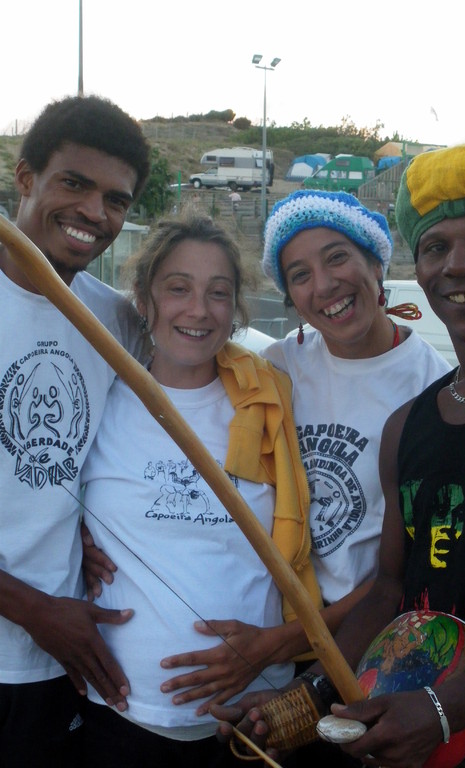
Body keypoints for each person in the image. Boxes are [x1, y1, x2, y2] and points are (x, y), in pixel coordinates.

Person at [214, 140, 465, 768]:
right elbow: (388, 592)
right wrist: (305, 700)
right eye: (436, 247)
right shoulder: (410, 424)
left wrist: (443, 710)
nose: (458, 264)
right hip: (408, 743)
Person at [78, 212, 322, 767]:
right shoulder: (99, 397)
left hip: (255, 720)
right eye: (178, 288)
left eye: (218, 293)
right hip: (121, 716)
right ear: (144, 299)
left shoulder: (272, 402)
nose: (198, 310)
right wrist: (78, 545)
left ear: (236, 310)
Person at [0, 95, 151, 767]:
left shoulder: (115, 320)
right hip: (45, 626)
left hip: (58, 662)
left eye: (116, 200)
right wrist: (30, 607)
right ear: (25, 177)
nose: (95, 212)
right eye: (75, 184)